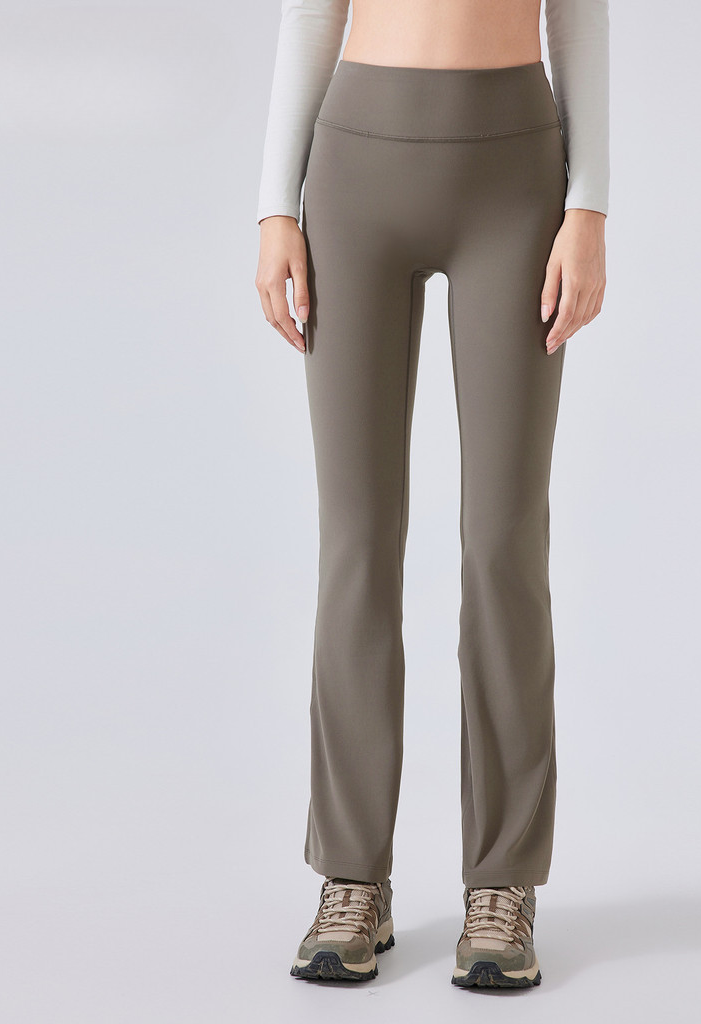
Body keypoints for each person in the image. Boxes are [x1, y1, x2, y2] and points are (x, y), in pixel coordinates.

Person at [254, 0, 609, 990]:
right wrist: (274, 205)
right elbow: (311, 11)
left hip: (514, 176)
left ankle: (502, 881)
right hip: (355, 170)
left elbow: (580, 16)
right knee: (356, 544)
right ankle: (352, 875)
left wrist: (590, 205)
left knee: (504, 543)